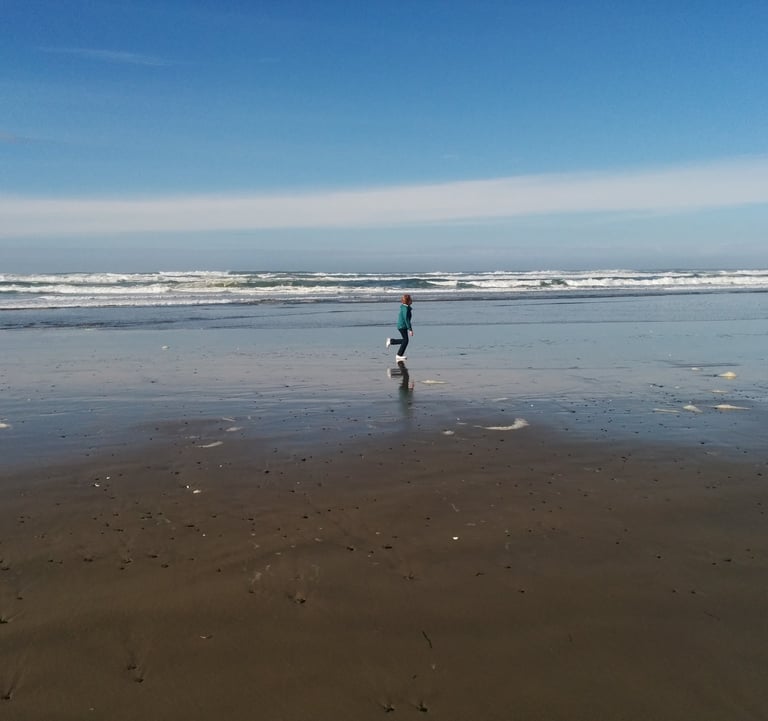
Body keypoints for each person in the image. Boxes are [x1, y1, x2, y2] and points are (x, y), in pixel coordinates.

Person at [386, 294, 413, 361]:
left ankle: (391, 341)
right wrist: (410, 329)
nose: (412, 300)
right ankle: (398, 355)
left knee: (405, 340)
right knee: (405, 340)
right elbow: (406, 319)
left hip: (402, 326)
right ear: (408, 301)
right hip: (402, 326)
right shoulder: (405, 308)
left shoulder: (406, 307)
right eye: (410, 299)